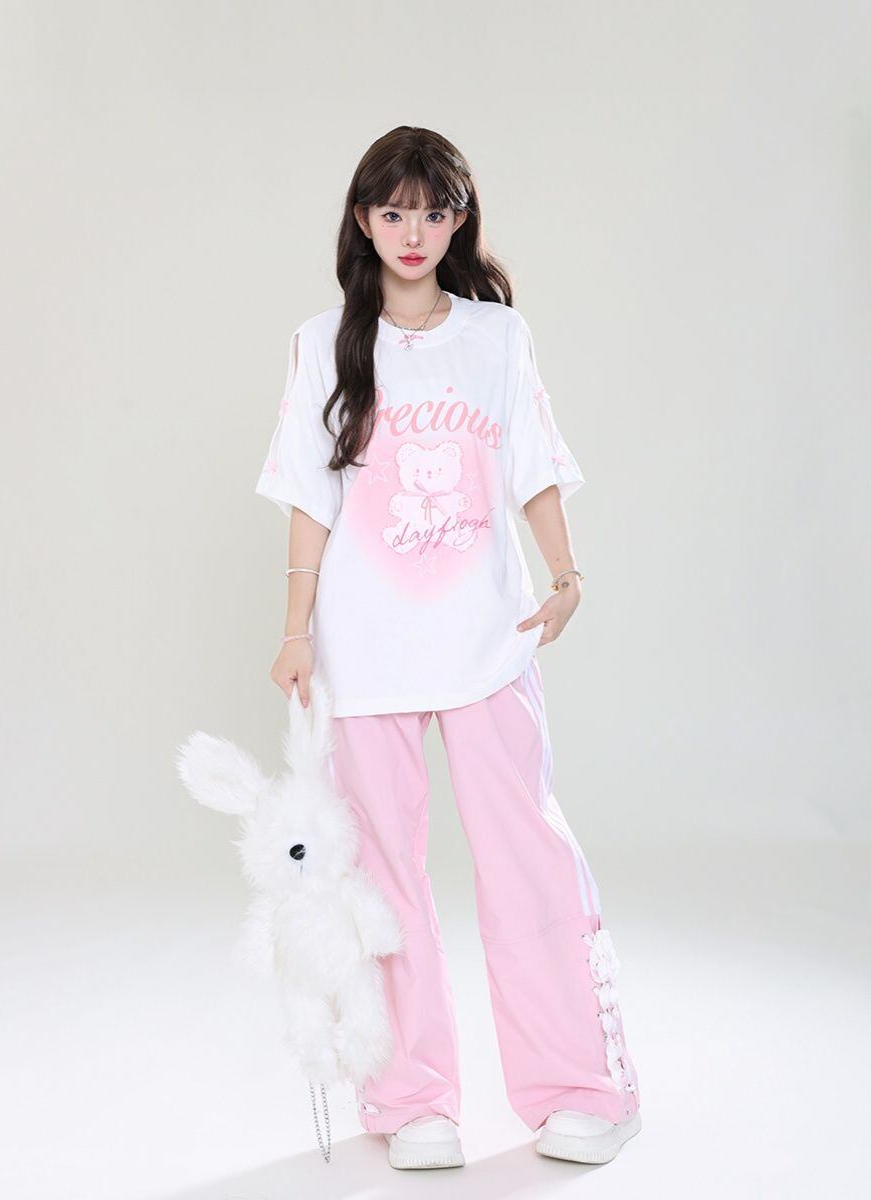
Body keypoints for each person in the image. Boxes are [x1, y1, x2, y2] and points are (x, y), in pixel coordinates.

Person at [254, 126, 642, 1170]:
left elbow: (533, 465)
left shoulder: (497, 337)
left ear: (459, 219)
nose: (413, 232)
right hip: (363, 652)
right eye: (393, 212)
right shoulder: (323, 342)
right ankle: (410, 1098)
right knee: (382, 879)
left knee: (527, 861)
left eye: (433, 212)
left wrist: (566, 576)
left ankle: (582, 1085)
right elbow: (309, 499)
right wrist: (294, 633)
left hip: (487, 640)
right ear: (363, 220)